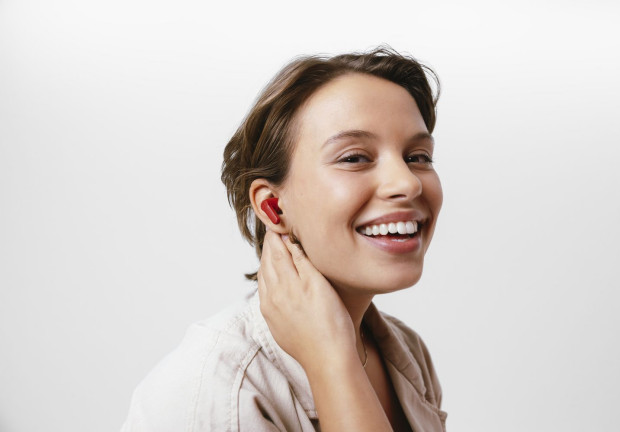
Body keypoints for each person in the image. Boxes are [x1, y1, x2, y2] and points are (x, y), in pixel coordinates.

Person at [121, 47, 447, 432]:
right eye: (355, 158)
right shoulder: (217, 388)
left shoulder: (405, 351)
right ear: (273, 207)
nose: (407, 183)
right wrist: (331, 362)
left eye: (418, 157)